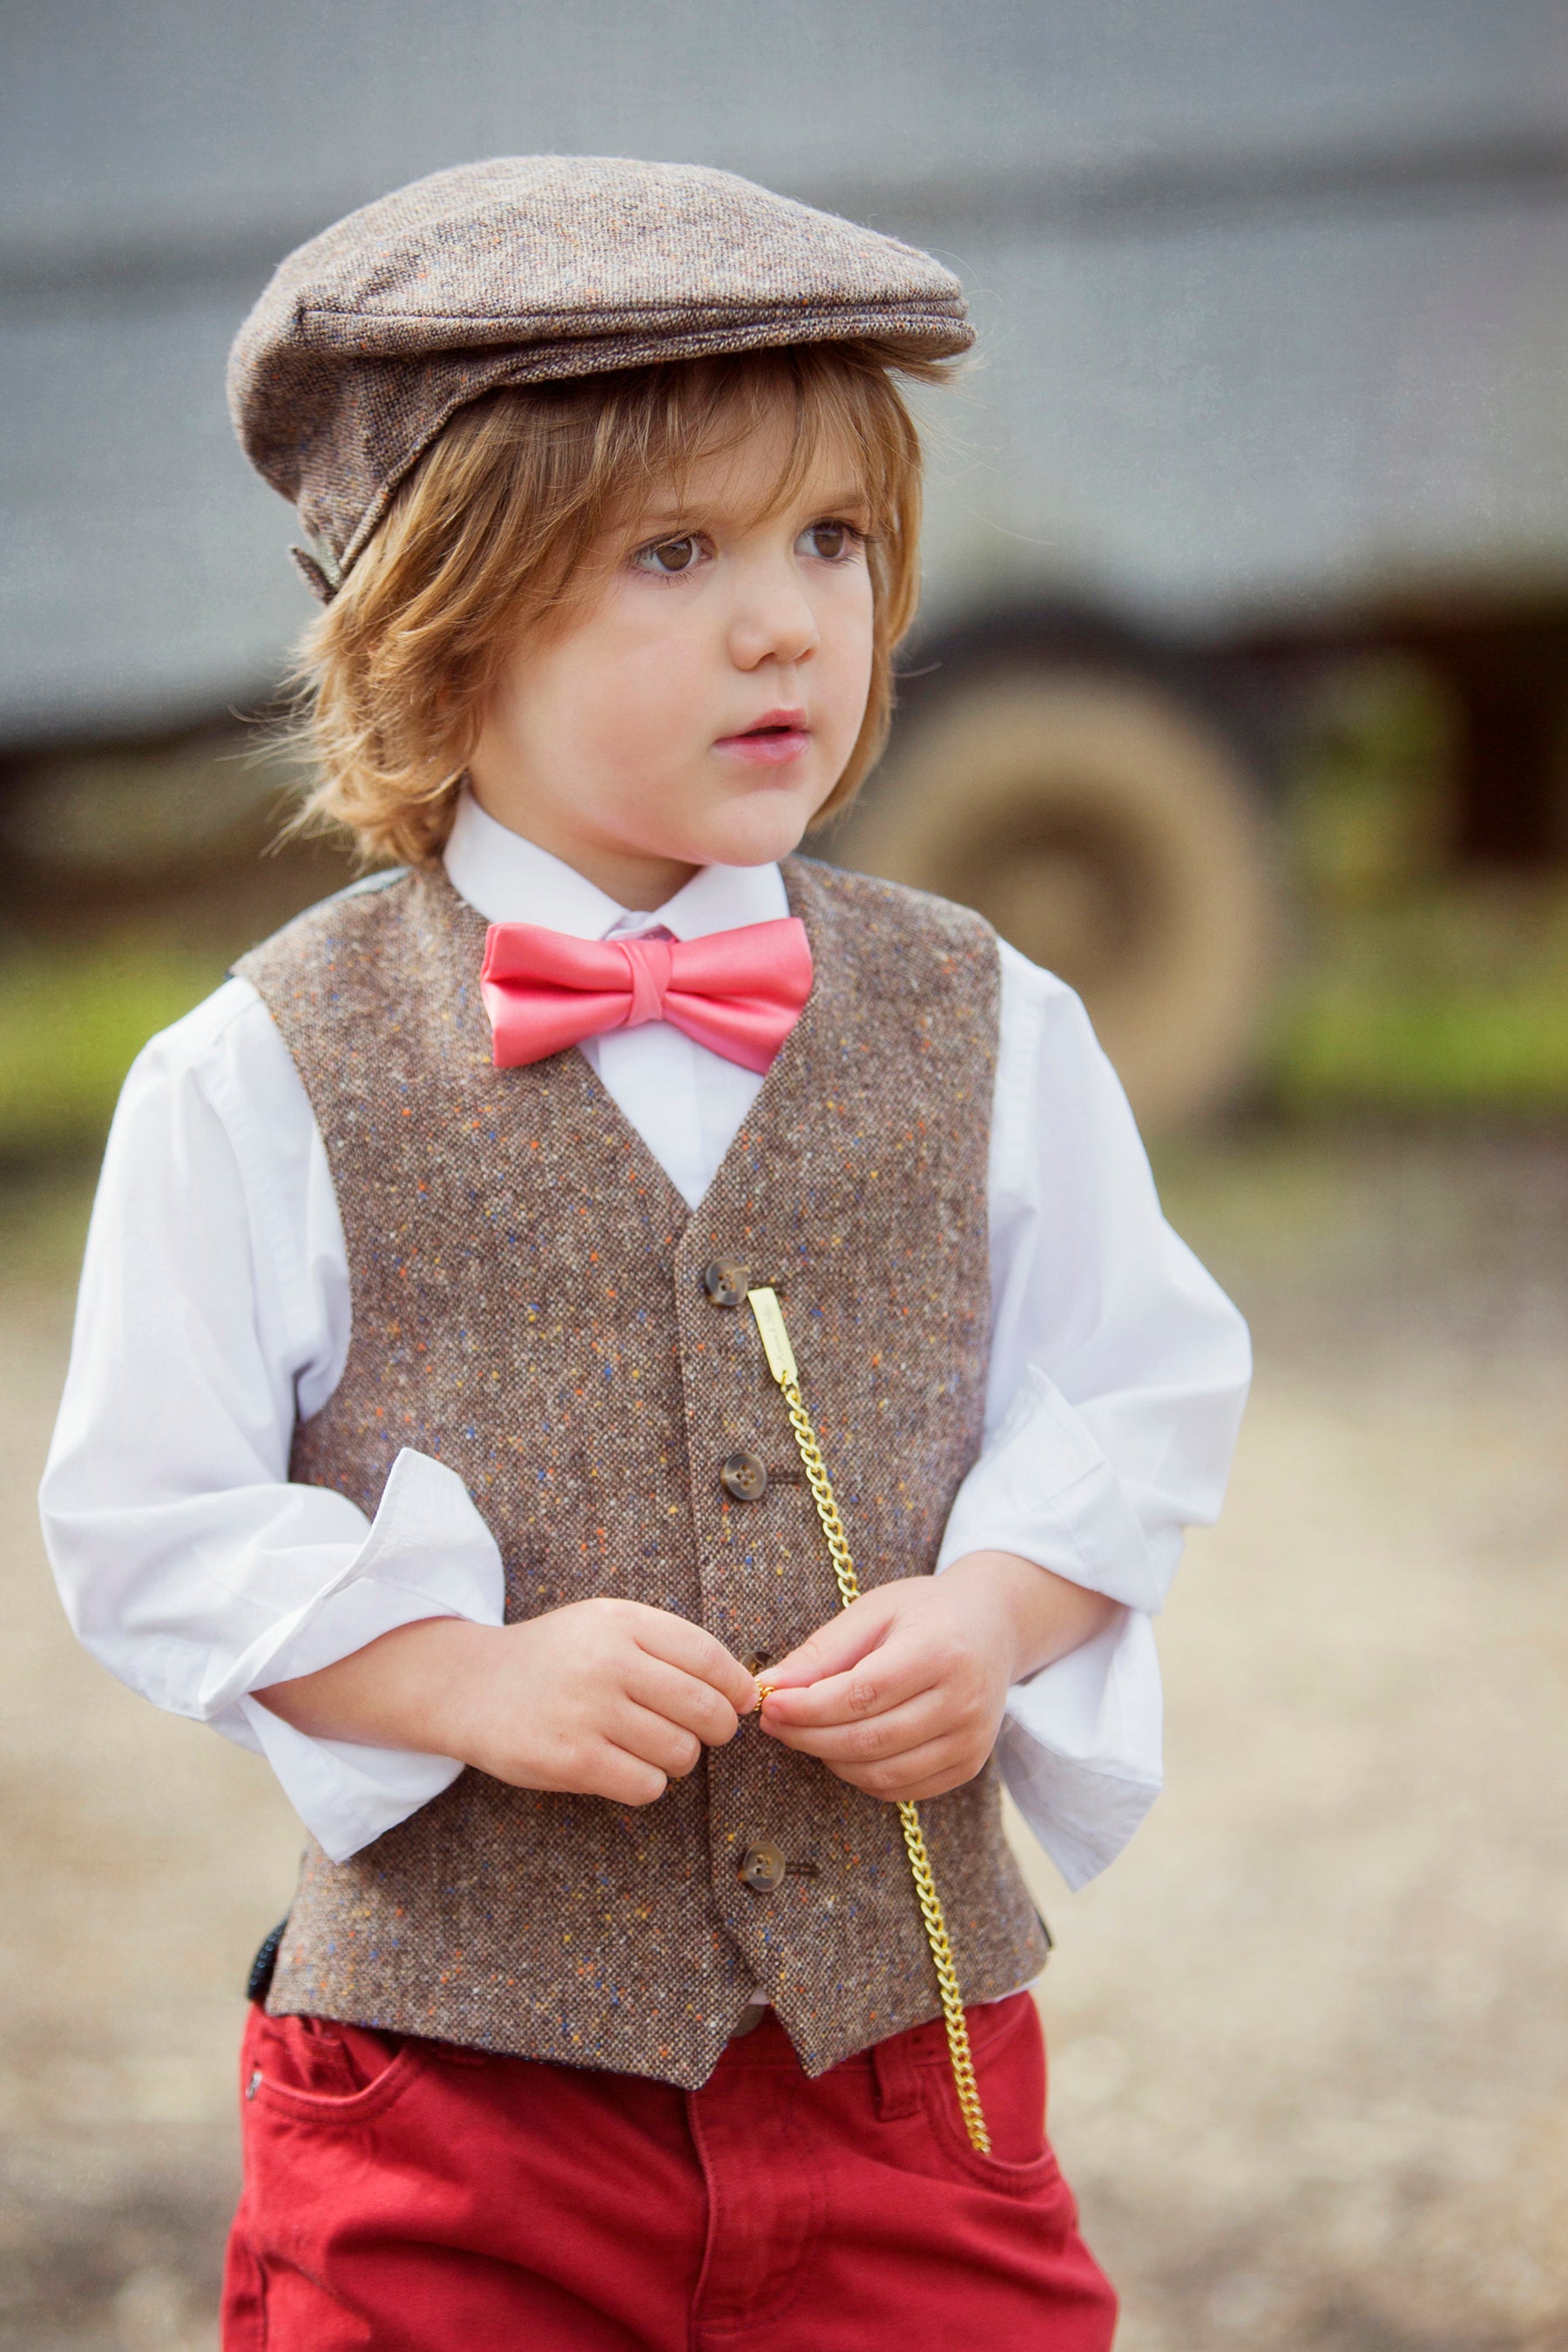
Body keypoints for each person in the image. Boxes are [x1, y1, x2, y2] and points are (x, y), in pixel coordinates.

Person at [40, 157, 1250, 2349]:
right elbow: (148, 1519)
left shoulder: (991, 1016)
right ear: (444, 616)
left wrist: (995, 1611)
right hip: (453, 2105)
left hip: (909, 2075)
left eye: (834, 541)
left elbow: (1142, 1393)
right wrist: (462, 1679)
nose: (787, 622)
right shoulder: (259, 1071)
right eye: (675, 556)